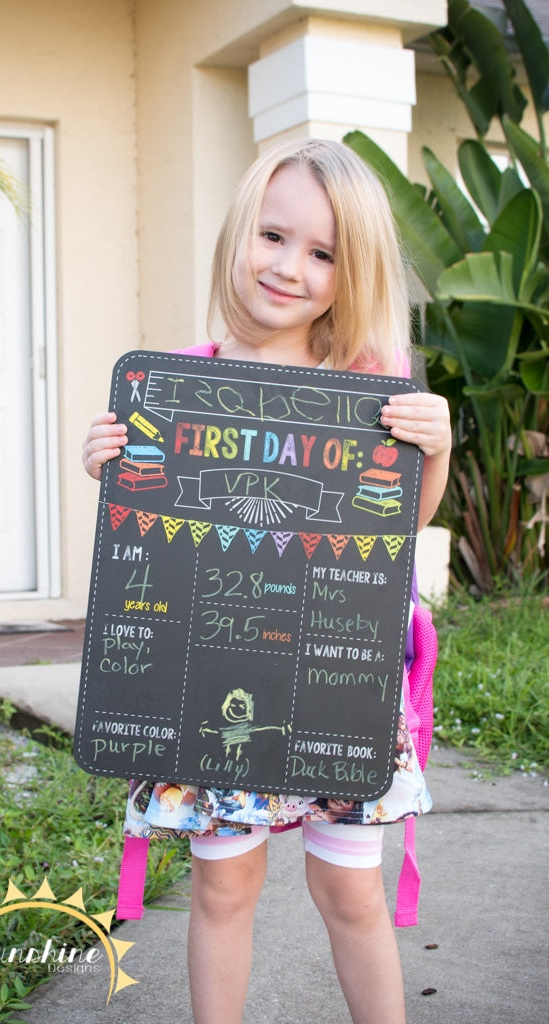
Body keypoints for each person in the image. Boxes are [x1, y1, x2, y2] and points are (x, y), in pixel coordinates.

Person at [81, 138, 452, 1024]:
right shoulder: (179, 383)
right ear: (239, 232)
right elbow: (150, 524)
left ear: (349, 269)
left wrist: (428, 451)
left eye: (322, 252)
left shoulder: (369, 389)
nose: (289, 267)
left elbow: (402, 523)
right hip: (210, 688)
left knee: (352, 897)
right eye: (272, 236)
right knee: (223, 890)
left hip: (337, 685)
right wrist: (108, 465)